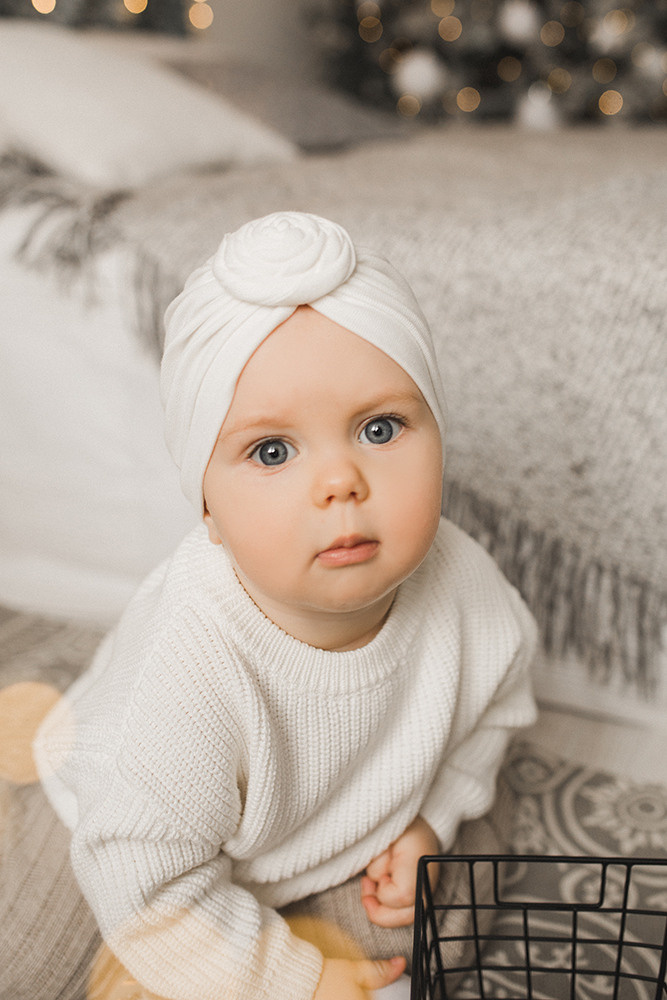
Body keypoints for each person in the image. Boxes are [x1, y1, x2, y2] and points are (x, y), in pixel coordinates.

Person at [35, 212, 538, 1000]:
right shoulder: (186, 669)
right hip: (149, 836)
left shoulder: (463, 583)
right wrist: (290, 980)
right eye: (271, 451)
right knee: (40, 956)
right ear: (205, 502)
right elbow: (146, 881)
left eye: (381, 428)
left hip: (337, 821)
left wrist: (432, 819)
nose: (340, 480)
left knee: (445, 913)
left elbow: (498, 702)